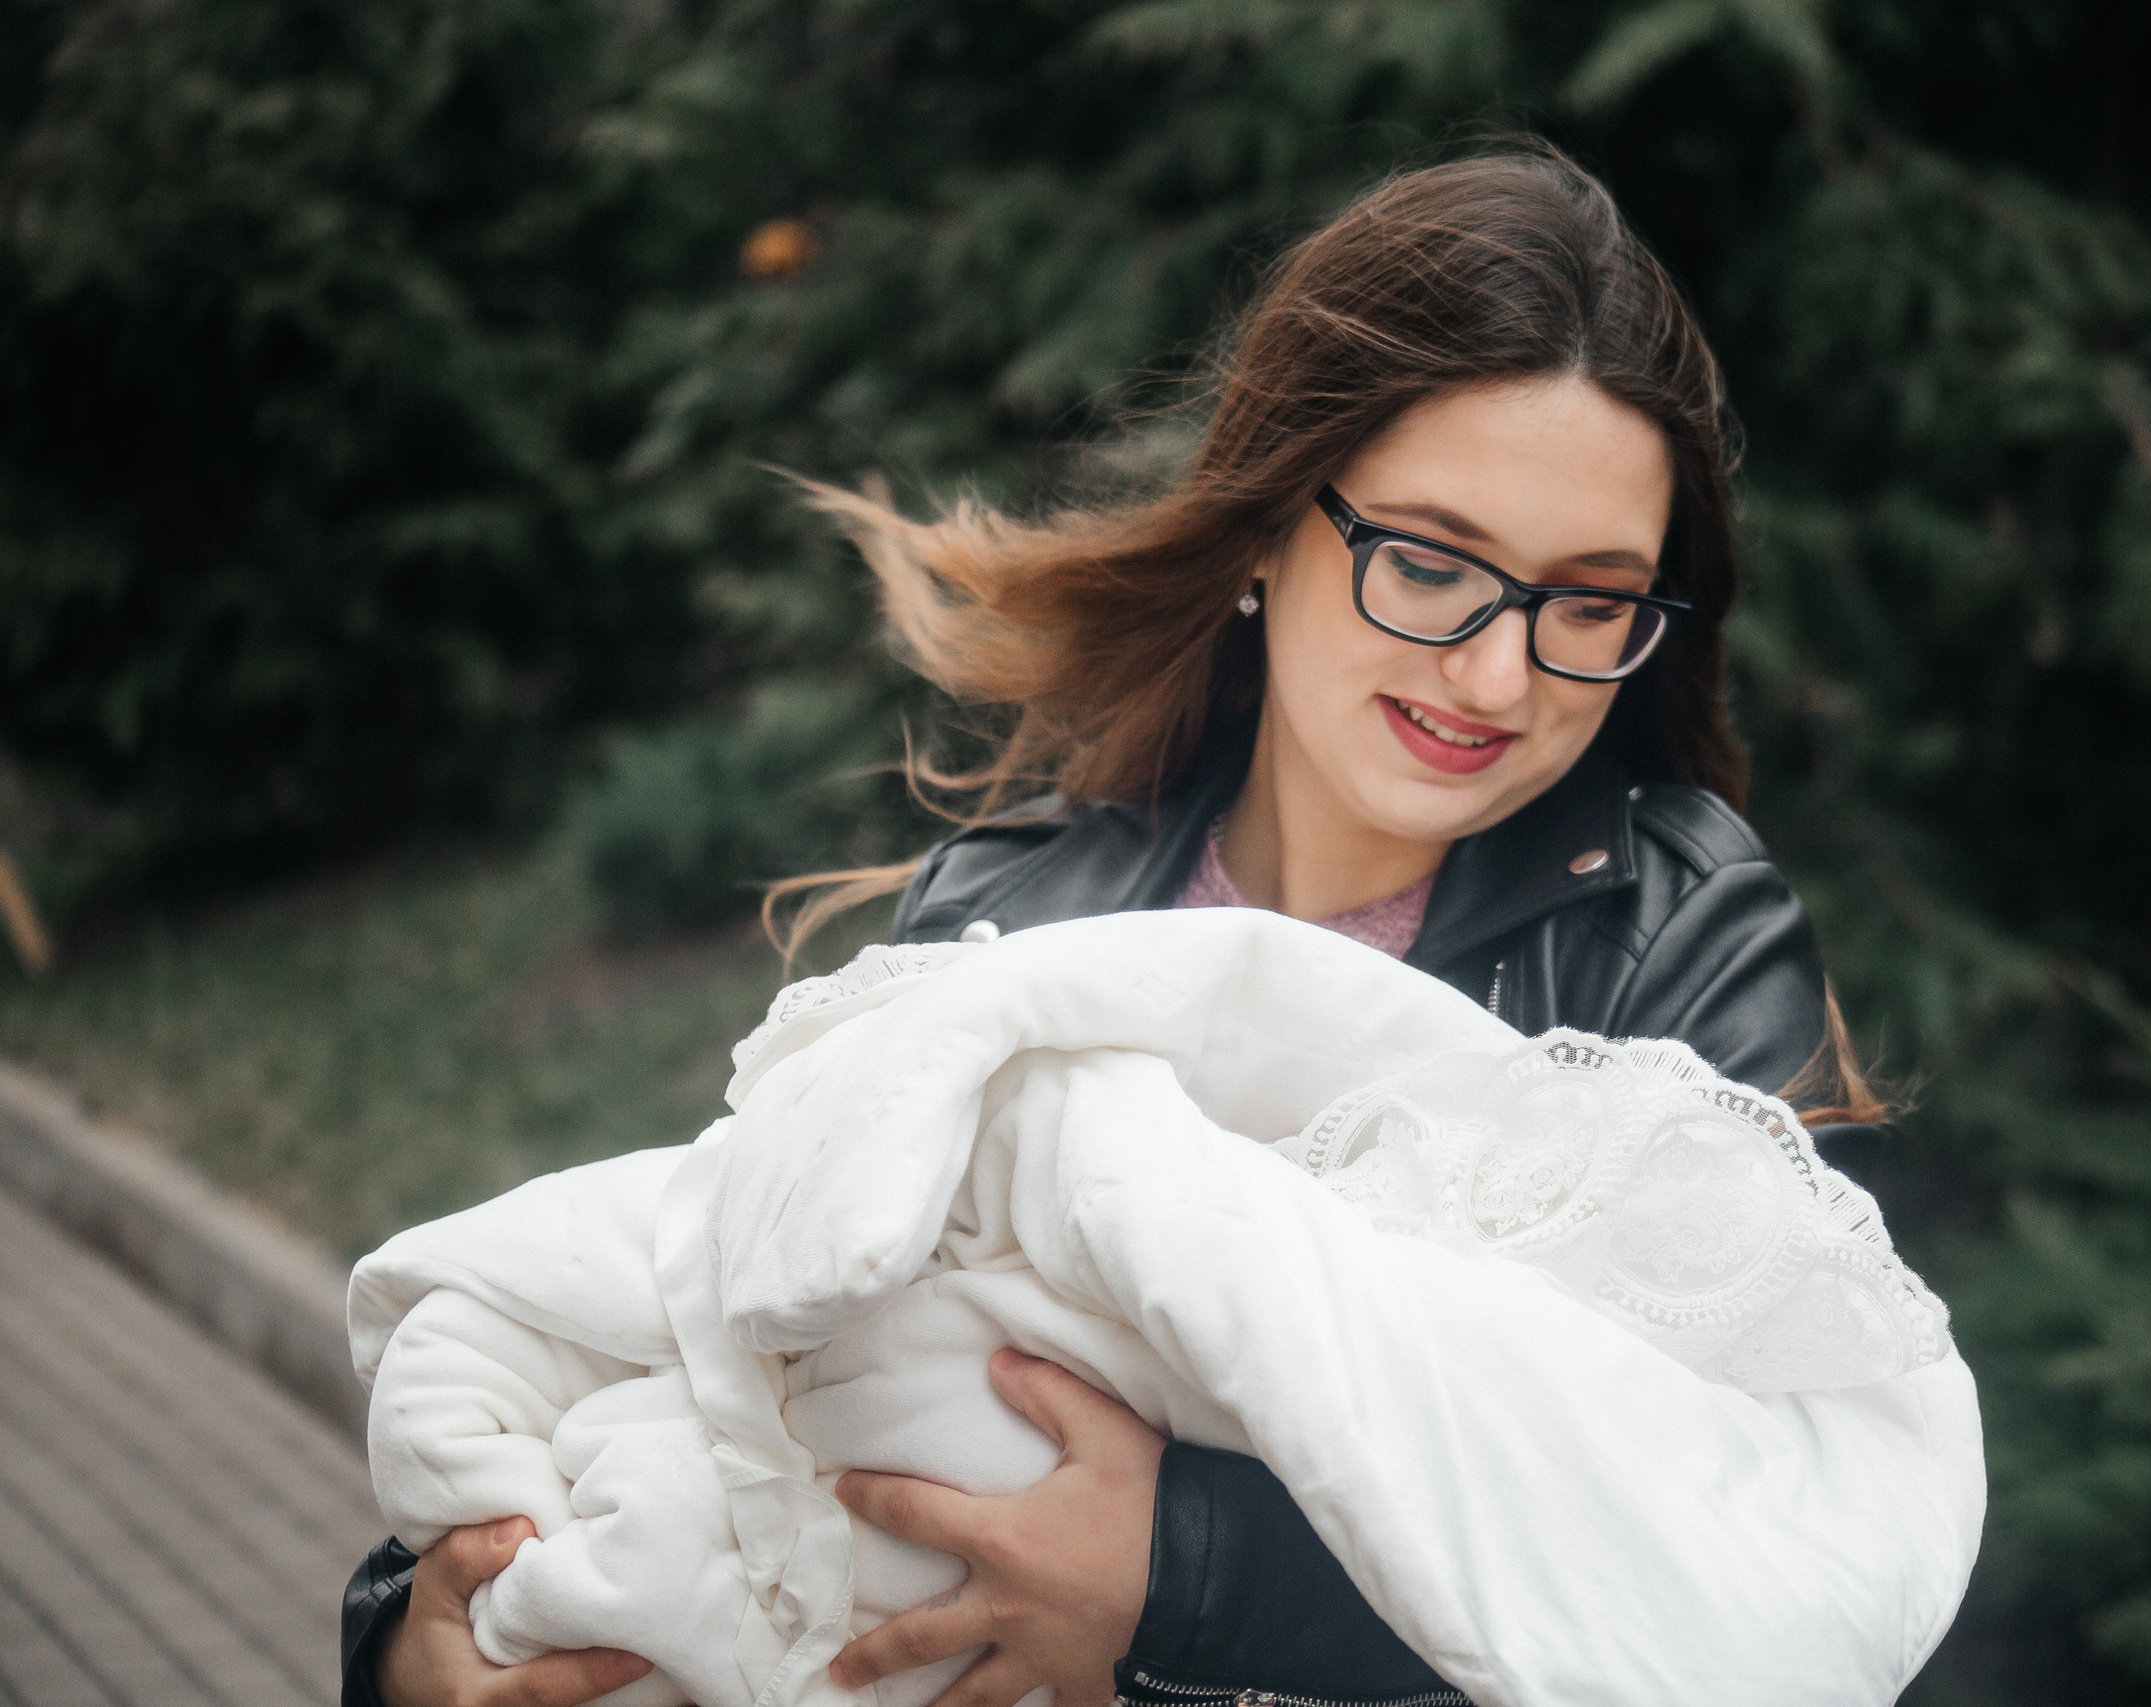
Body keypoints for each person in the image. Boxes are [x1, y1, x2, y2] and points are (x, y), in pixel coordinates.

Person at [345, 146, 1905, 1707]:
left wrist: (1184, 1584)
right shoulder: (1011, 912)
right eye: (1428, 564)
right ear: (1265, 533)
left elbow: (1770, 1564)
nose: (1496, 677)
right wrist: (412, 1635)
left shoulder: (1678, 951)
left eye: (1589, 600)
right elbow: (713, 1320)